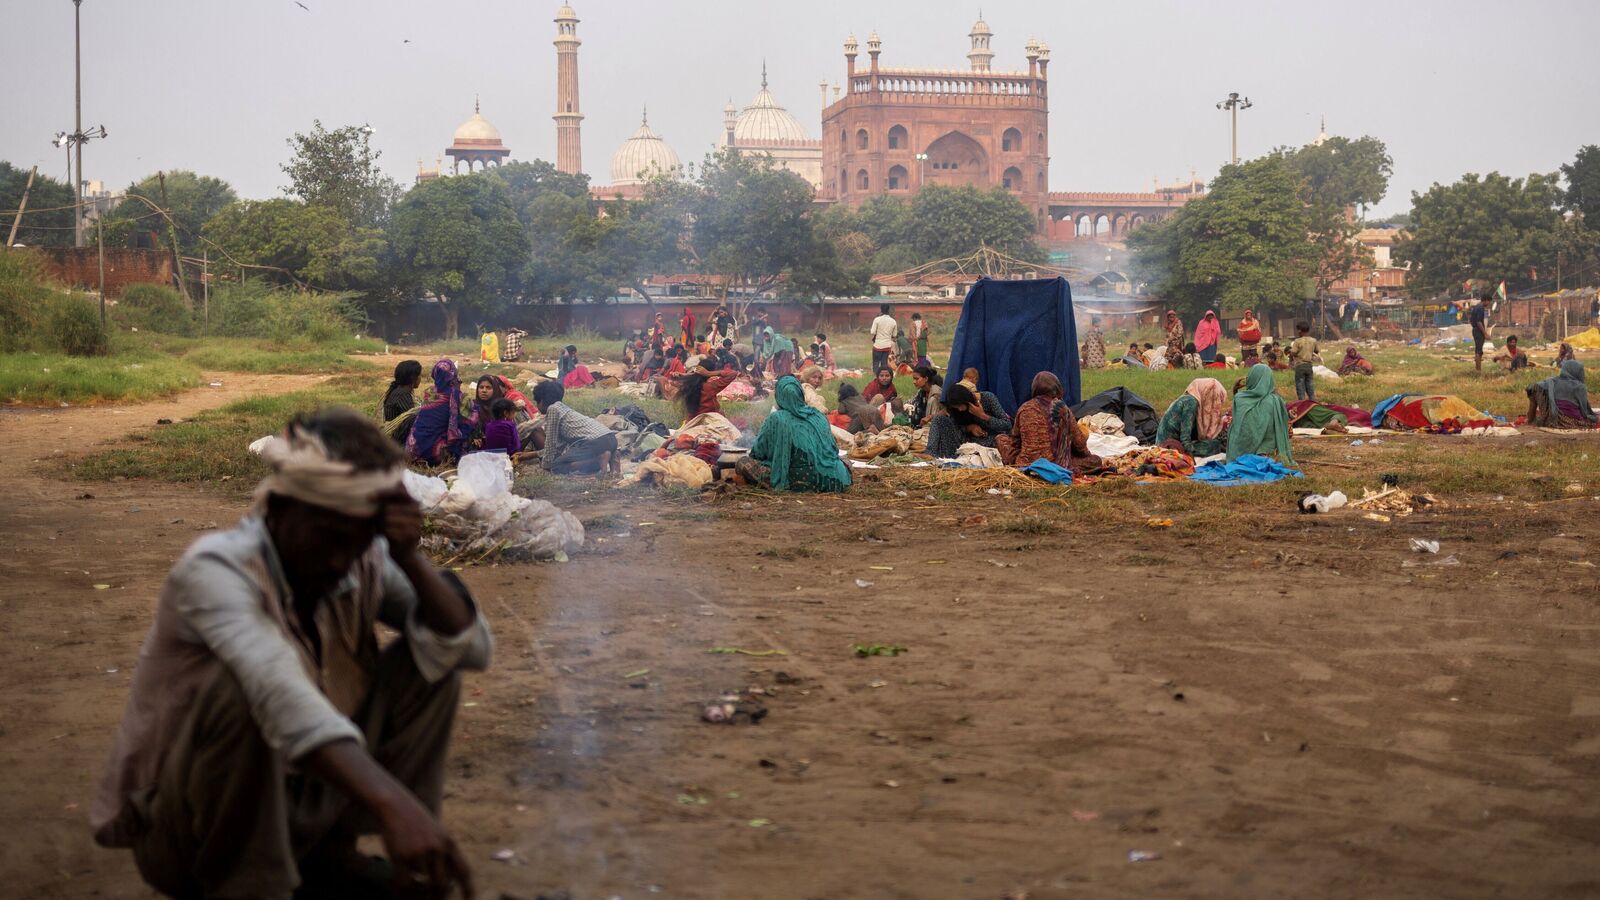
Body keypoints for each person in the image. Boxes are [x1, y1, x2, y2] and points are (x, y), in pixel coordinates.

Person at [93, 409, 488, 899]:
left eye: (355, 541)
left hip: (302, 803)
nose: (337, 560)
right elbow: (276, 689)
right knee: (242, 693)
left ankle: (329, 858)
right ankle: (254, 885)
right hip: (183, 831)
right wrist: (393, 801)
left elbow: (471, 647)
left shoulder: (361, 556)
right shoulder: (215, 569)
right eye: (326, 537)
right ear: (279, 510)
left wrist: (408, 556)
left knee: (435, 666)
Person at [735, 375, 851, 492]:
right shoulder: (818, 415)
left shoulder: (776, 418)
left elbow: (757, 453)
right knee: (844, 460)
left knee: (743, 463)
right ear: (801, 394)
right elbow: (832, 450)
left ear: (779, 396)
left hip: (800, 480)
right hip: (834, 478)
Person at [997, 371, 1100, 473]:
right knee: (1096, 461)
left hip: (1026, 465)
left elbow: (1015, 441)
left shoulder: (1024, 408)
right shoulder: (1063, 409)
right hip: (1057, 465)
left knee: (1000, 439)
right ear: (1057, 389)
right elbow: (1079, 444)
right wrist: (1087, 455)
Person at [532, 380, 619, 474]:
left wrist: (546, 467)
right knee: (579, 461)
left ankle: (598, 459)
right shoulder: (563, 409)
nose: (537, 407)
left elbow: (551, 443)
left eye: (537, 402)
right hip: (610, 438)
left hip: (596, 442)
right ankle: (609, 457)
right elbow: (560, 446)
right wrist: (532, 455)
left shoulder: (553, 409)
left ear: (541, 400)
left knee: (557, 466)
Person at [1226, 364, 1294, 463]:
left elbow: (1236, 425)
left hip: (1239, 449)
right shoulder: (1275, 400)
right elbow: (1283, 425)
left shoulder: (1239, 398)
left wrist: (1235, 390)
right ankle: (1262, 452)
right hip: (1266, 444)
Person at [926, 382, 1012, 458]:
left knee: (997, 441)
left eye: (960, 406)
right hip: (966, 441)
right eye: (956, 408)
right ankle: (931, 454)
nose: (959, 409)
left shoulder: (988, 398)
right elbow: (956, 426)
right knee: (938, 419)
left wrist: (983, 416)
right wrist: (969, 428)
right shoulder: (957, 411)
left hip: (989, 440)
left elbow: (1007, 425)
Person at [406, 359, 466, 465]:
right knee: (467, 429)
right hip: (436, 454)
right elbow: (472, 418)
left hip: (413, 449)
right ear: (453, 374)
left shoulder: (430, 392)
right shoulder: (458, 395)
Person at [1155, 377, 1231, 457]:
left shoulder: (1189, 399)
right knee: (1214, 445)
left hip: (1169, 442)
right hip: (1169, 446)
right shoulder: (1191, 403)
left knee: (1213, 443)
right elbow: (1185, 438)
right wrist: (1190, 457)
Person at [1526, 360, 1597, 428]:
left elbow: (1532, 388)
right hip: (1571, 422)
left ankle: (1530, 420)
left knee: (1537, 388)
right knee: (1594, 418)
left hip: (1549, 421)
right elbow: (1584, 412)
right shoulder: (1580, 387)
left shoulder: (1550, 382)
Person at [382, 359, 421, 430]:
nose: (420, 378)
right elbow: (412, 419)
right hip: (396, 436)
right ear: (413, 378)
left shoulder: (400, 390)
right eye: (419, 375)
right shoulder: (402, 394)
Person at [1287, 322, 1320, 402]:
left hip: (1300, 365)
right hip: (1309, 365)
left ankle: (1302, 402)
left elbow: (1294, 352)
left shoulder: (1297, 341)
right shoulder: (1313, 340)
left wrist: (1290, 354)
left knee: (1300, 384)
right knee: (1310, 383)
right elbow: (1316, 350)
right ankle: (1312, 401)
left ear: (1300, 331)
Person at [870, 303, 898, 373]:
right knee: (884, 364)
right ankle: (883, 377)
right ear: (888, 310)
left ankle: (876, 378)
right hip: (887, 346)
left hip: (877, 346)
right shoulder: (893, 321)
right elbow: (894, 335)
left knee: (876, 363)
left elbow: (872, 332)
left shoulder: (877, 319)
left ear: (881, 310)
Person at [1470, 291, 1493, 372]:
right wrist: (1485, 333)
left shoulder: (1476, 307)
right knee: (1478, 351)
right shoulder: (1480, 308)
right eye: (1489, 301)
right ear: (1486, 300)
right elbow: (1479, 322)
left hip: (1475, 330)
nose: (1489, 303)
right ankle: (1478, 370)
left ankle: (1478, 370)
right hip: (1478, 331)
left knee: (1478, 350)